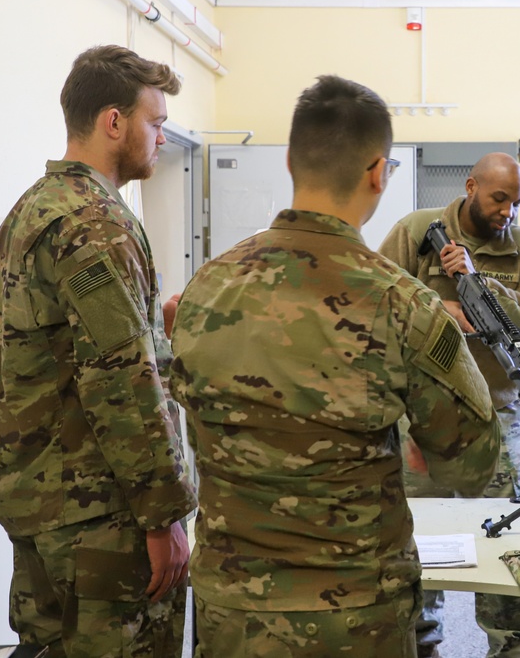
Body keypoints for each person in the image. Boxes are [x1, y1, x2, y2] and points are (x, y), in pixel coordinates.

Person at [169, 74, 501, 658]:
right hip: (355, 616)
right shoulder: (404, 303)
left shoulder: (205, 288)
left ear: (293, 163)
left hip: (231, 610)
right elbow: (472, 466)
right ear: (378, 173)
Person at [0, 45, 197, 656]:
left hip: (39, 502)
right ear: (114, 122)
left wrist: (154, 324)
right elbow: (120, 378)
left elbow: (49, 346)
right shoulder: (95, 223)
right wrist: (164, 514)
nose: (160, 138)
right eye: (155, 124)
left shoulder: (31, 210)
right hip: (101, 515)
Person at [378, 152, 520, 658]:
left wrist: (483, 285)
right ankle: (420, 640)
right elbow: (378, 303)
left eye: (517, 203)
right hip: (424, 416)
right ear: (471, 185)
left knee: (506, 532)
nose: (509, 213)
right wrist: (442, 312)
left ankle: (511, 645)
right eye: (500, 199)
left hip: (501, 415)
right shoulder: (416, 231)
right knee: (418, 534)